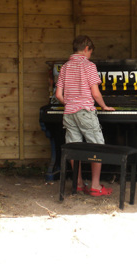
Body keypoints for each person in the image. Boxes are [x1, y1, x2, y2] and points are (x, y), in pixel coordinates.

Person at [55, 35, 115, 196]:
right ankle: (95, 186)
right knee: (97, 147)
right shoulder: (89, 66)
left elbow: (58, 95)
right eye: (90, 52)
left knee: (74, 147)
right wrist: (104, 106)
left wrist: (70, 103)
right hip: (85, 112)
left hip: (69, 113)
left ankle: (78, 183)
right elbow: (95, 93)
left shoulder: (65, 67)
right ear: (87, 48)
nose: (90, 55)